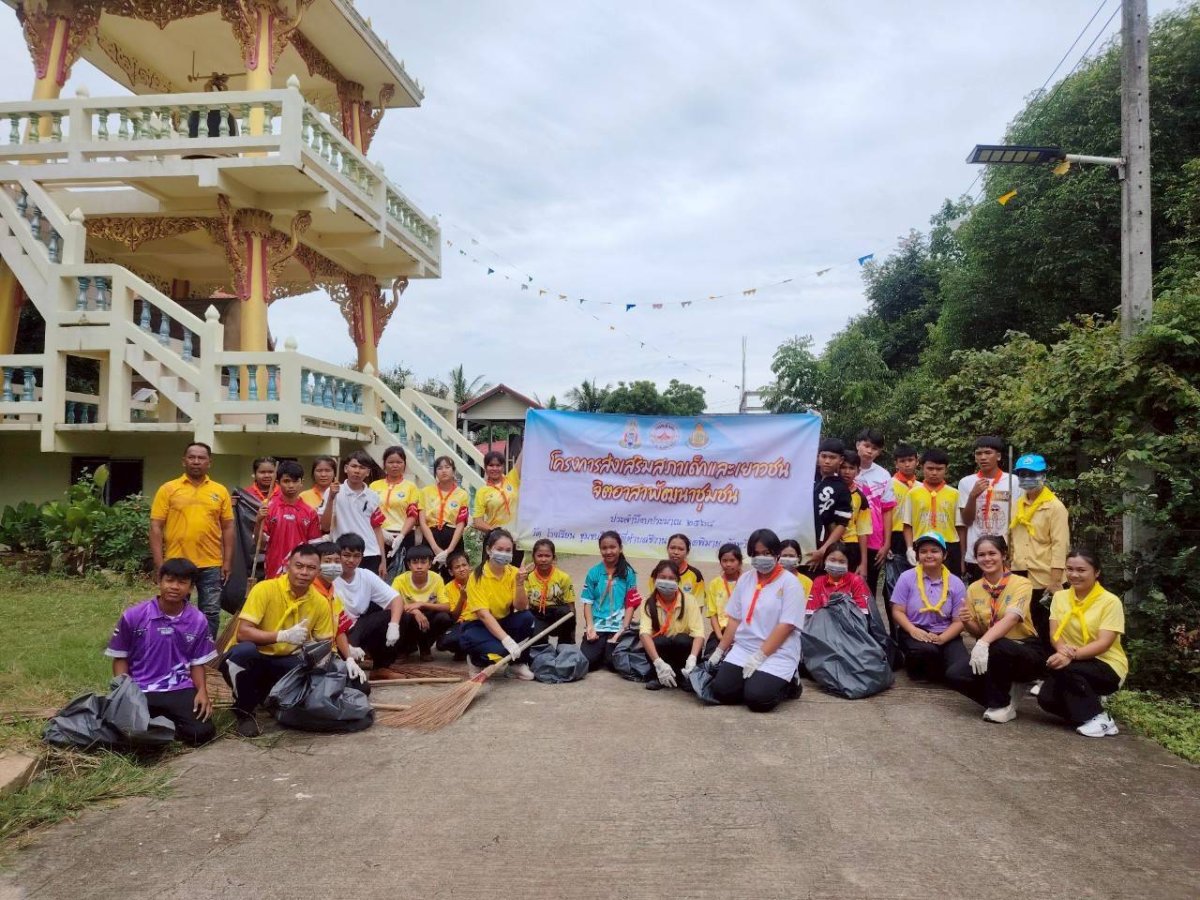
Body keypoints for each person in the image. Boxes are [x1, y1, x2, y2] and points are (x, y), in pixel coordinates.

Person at [220, 544, 335, 737]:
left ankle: (272, 699)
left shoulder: (320, 602)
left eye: (311, 568)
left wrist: (337, 659)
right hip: (255, 656)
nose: (304, 572)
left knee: (320, 670)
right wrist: (282, 636)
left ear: (318, 571)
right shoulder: (265, 589)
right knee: (242, 653)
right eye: (299, 566)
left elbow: (324, 642)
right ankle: (244, 711)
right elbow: (243, 633)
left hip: (288, 660)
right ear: (287, 565)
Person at [104, 558, 217, 746]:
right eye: (170, 580)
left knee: (202, 733)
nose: (174, 587)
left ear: (190, 588)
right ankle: (157, 730)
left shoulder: (198, 620)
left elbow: (197, 663)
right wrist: (124, 693)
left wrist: (202, 691)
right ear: (159, 581)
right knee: (122, 733)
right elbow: (120, 658)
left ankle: (159, 729)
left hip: (178, 687)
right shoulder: (134, 615)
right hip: (140, 688)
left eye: (182, 582)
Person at [709, 529, 805, 712]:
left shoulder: (790, 583)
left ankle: (790, 683)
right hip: (745, 648)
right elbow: (735, 620)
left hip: (778, 651)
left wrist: (760, 656)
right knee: (722, 692)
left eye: (767, 553)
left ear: (777, 554)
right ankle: (757, 681)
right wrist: (719, 651)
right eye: (756, 553)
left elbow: (786, 626)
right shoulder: (745, 579)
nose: (761, 558)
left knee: (757, 699)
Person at [1038, 549, 1127, 737]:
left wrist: (1071, 655)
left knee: (1064, 669)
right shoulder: (1060, 597)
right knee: (1046, 699)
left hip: (1106, 664)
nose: (1074, 574)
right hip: (1072, 660)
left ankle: (1101, 718)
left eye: (1081, 570)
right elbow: (1054, 633)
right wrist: (1063, 651)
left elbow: (1104, 643)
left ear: (1097, 572)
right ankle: (1089, 709)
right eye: (1069, 569)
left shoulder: (1110, 602)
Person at [149, 442, 235, 636]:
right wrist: (159, 563)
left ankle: (206, 652)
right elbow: (156, 527)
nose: (196, 462)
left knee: (211, 612)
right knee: (175, 608)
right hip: (176, 563)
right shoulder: (168, 489)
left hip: (211, 563)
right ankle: (176, 646)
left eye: (201, 458)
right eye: (192, 457)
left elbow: (228, 527)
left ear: (209, 462)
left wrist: (227, 561)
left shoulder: (220, 491)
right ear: (184, 461)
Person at [955, 535, 1044, 723]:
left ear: (1003, 555)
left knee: (999, 646)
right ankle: (1004, 696)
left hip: (1023, 648)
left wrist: (983, 642)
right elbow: (979, 631)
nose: (987, 559)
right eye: (981, 555)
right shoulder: (974, 589)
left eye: (992, 553)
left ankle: (1001, 704)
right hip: (993, 647)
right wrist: (966, 622)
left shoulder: (1021, 583)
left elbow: (1012, 618)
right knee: (956, 674)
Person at [890, 532, 969, 684]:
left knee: (960, 669)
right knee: (927, 652)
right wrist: (913, 630)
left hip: (946, 633)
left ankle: (939, 667)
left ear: (944, 555)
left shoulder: (956, 582)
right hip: (915, 631)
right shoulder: (906, 577)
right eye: (923, 551)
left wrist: (942, 638)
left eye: (934, 551)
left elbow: (959, 621)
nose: (929, 555)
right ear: (918, 556)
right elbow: (897, 611)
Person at [1009, 453, 1070, 644]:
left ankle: (1050, 669)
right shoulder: (1017, 505)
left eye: (1032, 474)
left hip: (1046, 578)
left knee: (1047, 628)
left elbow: (1061, 545)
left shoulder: (1055, 507)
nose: (1027, 478)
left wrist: (1055, 581)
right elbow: (1011, 538)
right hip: (1020, 574)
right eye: (1023, 474)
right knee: (1026, 625)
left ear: (1043, 475)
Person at [459, 529, 537, 678]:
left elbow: (521, 607)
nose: (504, 553)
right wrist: (507, 640)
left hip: (503, 621)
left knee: (527, 618)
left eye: (508, 550)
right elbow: (483, 614)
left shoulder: (513, 572)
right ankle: (476, 661)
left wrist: (520, 584)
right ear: (489, 550)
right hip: (477, 626)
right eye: (499, 549)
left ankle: (517, 665)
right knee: (501, 650)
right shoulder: (476, 577)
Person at [332, 533, 406, 680]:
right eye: (346, 555)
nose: (351, 560)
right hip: (335, 632)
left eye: (356, 556)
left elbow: (396, 599)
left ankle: (381, 667)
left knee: (393, 616)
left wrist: (394, 625)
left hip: (357, 628)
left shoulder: (365, 575)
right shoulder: (329, 577)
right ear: (337, 555)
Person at [956, 436, 1020, 583]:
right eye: (978, 453)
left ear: (998, 456)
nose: (983, 457)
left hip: (1005, 554)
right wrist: (973, 496)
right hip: (977, 555)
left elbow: (1018, 519)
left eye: (988, 453)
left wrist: (1014, 554)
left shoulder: (1014, 481)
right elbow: (966, 521)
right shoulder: (966, 482)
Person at [579, 531, 641, 672]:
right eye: (604, 548)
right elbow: (587, 602)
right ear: (600, 549)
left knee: (614, 664)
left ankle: (608, 650)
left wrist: (623, 629)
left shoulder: (628, 573)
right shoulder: (593, 572)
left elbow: (631, 604)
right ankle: (602, 648)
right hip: (598, 625)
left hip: (618, 626)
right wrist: (590, 627)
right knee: (588, 661)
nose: (608, 551)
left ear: (620, 548)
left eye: (612, 547)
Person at [640, 560, 705, 691]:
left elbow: (699, 633)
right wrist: (658, 663)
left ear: (678, 581)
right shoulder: (647, 602)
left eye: (671, 578)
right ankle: (658, 674)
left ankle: (684, 676)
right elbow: (644, 633)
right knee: (659, 641)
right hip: (661, 653)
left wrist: (692, 658)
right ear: (654, 579)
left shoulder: (690, 600)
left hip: (683, 652)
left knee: (683, 639)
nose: (666, 581)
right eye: (662, 577)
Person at [322, 450, 388, 578]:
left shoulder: (373, 496)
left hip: (370, 553)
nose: (357, 471)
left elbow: (377, 528)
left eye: (362, 467)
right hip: (343, 553)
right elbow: (324, 526)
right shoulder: (333, 492)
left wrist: (383, 560)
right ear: (346, 468)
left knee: (368, 596)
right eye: (354, 466)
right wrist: (331, 498)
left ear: (368, 472)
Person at [255, 460, 322, 579]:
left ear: (302, 482)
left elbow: (315, 548)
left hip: (302, 571)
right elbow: (259, 544)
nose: (291, 485)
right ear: (278, 483)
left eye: (295, 481)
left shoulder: (310, 512)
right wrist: (259, 521)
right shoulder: (268, 509)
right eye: (286, 481)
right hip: (274, 569)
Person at [902, 448, 962, 575]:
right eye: (930, 468)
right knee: (921, 583)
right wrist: (909, 548)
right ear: (922, 468)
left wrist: (962, 555)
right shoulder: (913, 493)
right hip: (922, 544)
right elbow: (907, 525)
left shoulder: (954, 494)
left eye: (939, 469)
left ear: (946, 469)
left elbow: (960, 527)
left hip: (949, 544)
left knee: (949, 585)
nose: (934, 473)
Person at [391, 544, 455, 661]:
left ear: (430, 564)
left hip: (428, 617)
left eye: (423, 562)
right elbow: (391, 605)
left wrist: (421, 604)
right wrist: (415, 611)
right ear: (409, 565)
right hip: (408, 617)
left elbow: (447, 606)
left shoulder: (436, 578)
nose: (419, 566)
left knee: (443, 618)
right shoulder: (399, 580)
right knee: (404, 617)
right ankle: (405, 647)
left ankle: (425, 647)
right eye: (415, 562)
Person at [855, 428, 898, 595]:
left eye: (874, 448)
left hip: (874, 539)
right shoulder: (844, 469)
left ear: (879, 452)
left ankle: (868, 621)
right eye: (866, 445)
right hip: (849, 537)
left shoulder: (883, 475)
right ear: (857, 444)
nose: (869, 451)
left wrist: (887, 543)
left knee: (869, 587)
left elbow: (887, 510)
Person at [370, 446, 422, 579]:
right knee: (378, 574)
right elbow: (369, 512)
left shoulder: (411, 487)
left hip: (403, 537)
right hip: (378, 535)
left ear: (404, 464)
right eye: (391, 462)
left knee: (402, 576)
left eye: (399, 462)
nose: (395, 465)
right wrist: (381, 531)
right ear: (384, 464)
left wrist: (401, 536)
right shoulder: (374, 486)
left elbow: (412, 514)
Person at [418, 455, 470, 575]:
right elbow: (422, 522)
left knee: (453, 576)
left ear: (453, 471)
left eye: (447, 467)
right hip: (431, 538)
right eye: (440, 468)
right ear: (435, 472)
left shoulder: (462, 494)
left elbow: (460, 524)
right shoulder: (425, 492)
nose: (444, 470)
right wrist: (435, 548)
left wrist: (449, 551)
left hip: (453, 539)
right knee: (430, 575)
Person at [472, 450, 524, 565]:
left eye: (498, 465)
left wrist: (531, 434)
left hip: (515, 539)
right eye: (491, 465)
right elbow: (477, 522)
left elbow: (522, 458)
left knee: (513, 574)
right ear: (485, 467)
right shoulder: (482, 492)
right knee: (491, 575)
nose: (494, 468)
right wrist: (498, 532)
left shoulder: (512, 479)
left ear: (503, 467)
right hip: (495, 540)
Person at [524, 538, 577, 646]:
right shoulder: (527, 578)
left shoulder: (564, 577)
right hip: (537, 615)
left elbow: (571, 606)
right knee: (538, 643)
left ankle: (564, 644)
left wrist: (572, 631)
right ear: (533, 557)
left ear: (553, 557)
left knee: (566, 613)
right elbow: (525, 606)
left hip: (557, 616)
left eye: (547, 556)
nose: (543, 559)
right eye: (540, 556)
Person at [810, 438, 852, 571]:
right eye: (823, 456)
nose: (827, 461)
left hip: (820, 545)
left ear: (841, 460)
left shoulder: (842, 488)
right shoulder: (805, 476)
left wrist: (824, 549)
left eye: (832, 457)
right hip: (795, 541)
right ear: (818, 457)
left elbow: (842, 523)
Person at [806, 543, 872, 616]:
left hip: (852, 625)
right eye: (832, 560)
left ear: (848, 564)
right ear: (825, 560)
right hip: (823, 625)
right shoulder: (818, 581)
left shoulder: (856, 581)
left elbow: (862, 613)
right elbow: (811, 611)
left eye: (842, 562)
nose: (836, 564)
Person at [838, 450, 874, 579]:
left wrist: (863, 563)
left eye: (851, 468)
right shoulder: (829, 490)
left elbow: (863, 531)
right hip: (829, 545)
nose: (847, 471)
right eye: (843, 467)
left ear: (858, 471)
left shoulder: (860, 498)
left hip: (851, 546)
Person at [650, 533, 706, 611]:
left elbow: (698, 607)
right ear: (667, 549)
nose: (676, 552)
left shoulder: (696, 576)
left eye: (681, 549)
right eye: (672, 548)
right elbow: (653, 601)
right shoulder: (656, 573)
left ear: (687, 552)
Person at [705, 543, 742, 657]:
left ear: (739, 562)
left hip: (743, 632)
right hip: (721, 631)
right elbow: (713, 614)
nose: (728, 564)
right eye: (724, 560)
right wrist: (721, 637)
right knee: (709, 658)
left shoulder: (747, 581)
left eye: (732, 560)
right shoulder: (714, 584)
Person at [436, 549, 472, 661]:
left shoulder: (479, 581)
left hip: (478, 620)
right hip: (461, 622)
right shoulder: (448, 588)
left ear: (469, 566)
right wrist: (462, 598)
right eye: (457, 567)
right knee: (443, 644)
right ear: (451, 572)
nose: (462, 569)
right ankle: (462, 651)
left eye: (464, 565)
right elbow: (454, 616)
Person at [299, 456, 338, 535]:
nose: (323, 474)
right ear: (313, 473)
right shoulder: (303, 496)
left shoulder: (343, 494)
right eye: (319, 471)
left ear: (334, 473)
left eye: (327, 470)